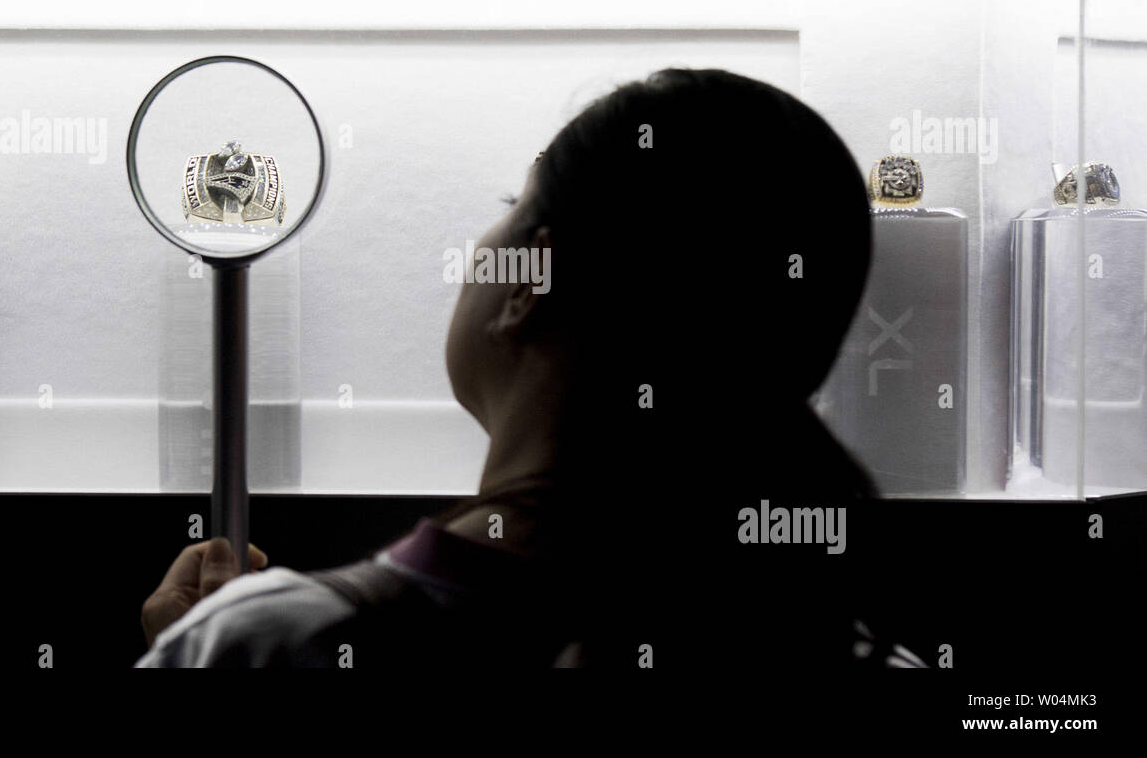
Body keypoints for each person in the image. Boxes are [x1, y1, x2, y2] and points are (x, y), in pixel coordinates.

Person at [136, 67, 889, 669]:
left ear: (534, 278)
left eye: (510, 203)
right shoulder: (866, 651)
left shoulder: (267, 645)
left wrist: (206, 644)